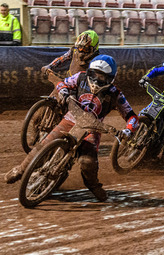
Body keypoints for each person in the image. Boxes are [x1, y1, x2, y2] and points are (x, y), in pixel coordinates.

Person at [4, 55, 139, 202]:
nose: (96, 80)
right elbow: (63, 83)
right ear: (89, 72)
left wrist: (128, 130)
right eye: (94, 75)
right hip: (70, 119)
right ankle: (20, 169)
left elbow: (131, 116)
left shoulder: (115, 94)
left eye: (102, 77)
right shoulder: (80, 77)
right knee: (44, 144)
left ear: (111, 79)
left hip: (92, 130)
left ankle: (93, 186)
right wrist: (63, 91)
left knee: (87, 162)